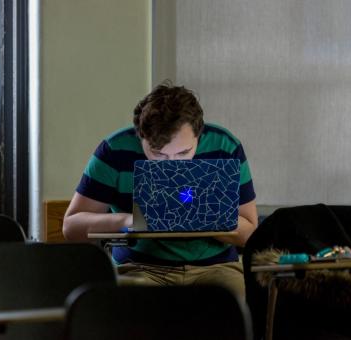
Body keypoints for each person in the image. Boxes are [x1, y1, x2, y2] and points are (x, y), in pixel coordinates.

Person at [63, 81, 258, 297]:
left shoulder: (225, 146)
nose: (171, 165)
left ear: (199, 135)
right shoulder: (114, 149)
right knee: (125, 308)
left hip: (216, 268)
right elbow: (71, 227)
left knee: (234, 307)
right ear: (140, 137)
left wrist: (205, 215)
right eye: (158, 155)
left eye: (183, 153)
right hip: (139, 267)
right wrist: (128, 221)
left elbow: (250, 233)